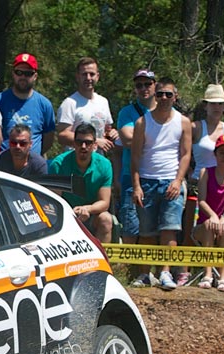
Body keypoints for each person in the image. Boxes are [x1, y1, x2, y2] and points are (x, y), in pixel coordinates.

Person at [130, 77, 191, 290]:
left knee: (169, 229)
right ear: (155, 95)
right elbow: (135, 156)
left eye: (168, 94)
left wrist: (178, 180)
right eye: (160, 94)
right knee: (146, 232)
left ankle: (165, 272)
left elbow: (185, 154)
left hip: (171, 181)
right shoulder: (142, 122)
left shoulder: (183, 122)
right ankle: (145, 274)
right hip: (147, 181)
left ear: (176, 96)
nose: (164, 98)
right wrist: (136, 186)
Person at [191, 134, 224, 293]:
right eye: (221, 153)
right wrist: (213, 216)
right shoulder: (205, 172)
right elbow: (201, 200)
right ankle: (207, 274)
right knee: (209, 225)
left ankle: (223, 277)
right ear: (215, 154)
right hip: (205, 225)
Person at [47, 123, 113, 242]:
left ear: (95, 145)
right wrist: (71, 214)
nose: (83, 146)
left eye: (88, 143)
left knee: (106, 219)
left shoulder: (105, 165)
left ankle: (102, 259)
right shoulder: (58, 164)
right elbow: (54, 202)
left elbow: (104, 202)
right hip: (65, 215)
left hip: (92, 214)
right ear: (73, 144)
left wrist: (87, 209)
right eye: (79, 142)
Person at [114, 68, 158, 244]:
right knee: (130, 224)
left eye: (148, 84)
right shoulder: (127, 112)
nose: (144, 88)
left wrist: (141, 136)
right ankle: (126, 269)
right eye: (139, 85)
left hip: (157, 175)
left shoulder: (165, 111)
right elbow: (127, 140)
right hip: (130, 176)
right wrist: (157, 138)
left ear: (155, 86)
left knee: (154, 228)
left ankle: (148, 270)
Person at [0, 53, 55, 158]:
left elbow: (48, 139)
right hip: (3, 164)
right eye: (19, 72)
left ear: (35, 76)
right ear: (13, 74)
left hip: (31, 166)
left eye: (28, 73)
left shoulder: (45, 104)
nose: (22, 77)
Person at [56, 57, 116, 153]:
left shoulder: (103, 101)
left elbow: (106, 130)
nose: (88, 78)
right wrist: (95, 141)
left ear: (97, 76)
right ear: (77, 77)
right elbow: (63, 136)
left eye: (92, 74)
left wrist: (113, 133)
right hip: (76, 160)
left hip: (98, 160)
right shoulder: (69, 103)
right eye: (84, 74)